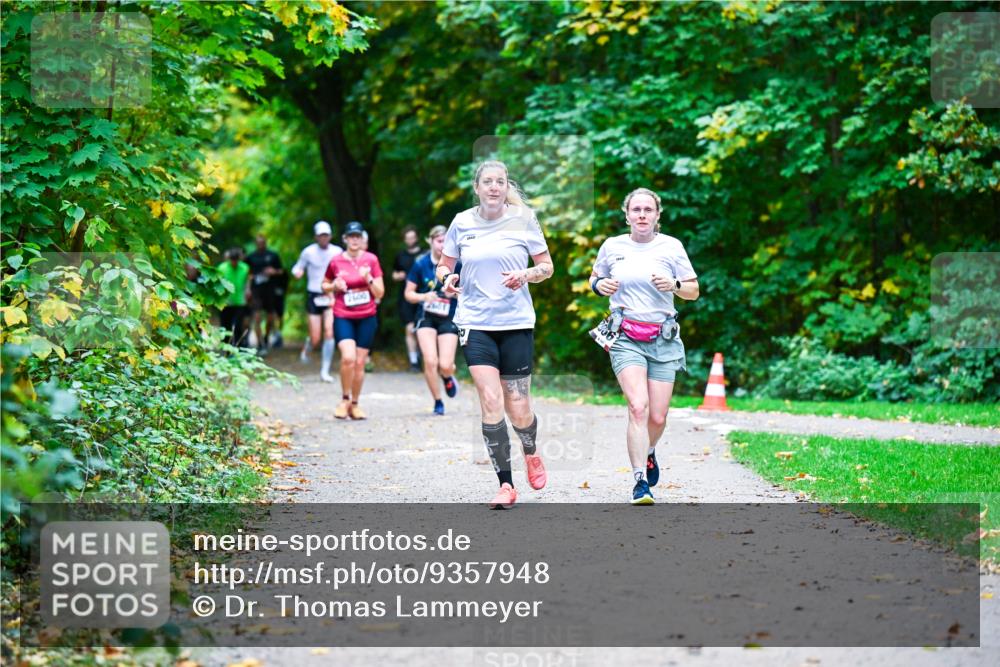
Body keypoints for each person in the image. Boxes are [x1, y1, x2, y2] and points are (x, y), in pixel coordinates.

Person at [437, 160, 554, 509]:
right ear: (477, 187)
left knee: (518, 407)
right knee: (490, 401)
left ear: (506, 187)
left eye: (499, 182)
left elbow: (547, 267)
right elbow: (444, 264)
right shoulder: (461, 222)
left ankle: (531, 451)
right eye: (487, 181)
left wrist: (527, 275)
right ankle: (506, 484)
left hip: (516, 323)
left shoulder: (524, 220)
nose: (493, 187)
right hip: (474, 322)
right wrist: (447, 279)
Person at [589, 187, 699, 505]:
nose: (641, 215)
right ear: (627, 215)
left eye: (647, 210)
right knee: (638, 407)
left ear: (657, 215)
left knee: (658, 417)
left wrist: (675, 285)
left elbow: (693, 290)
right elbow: (594, 277)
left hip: (663, 338)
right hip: (625, 336)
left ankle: (649, 451)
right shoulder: (612, 246)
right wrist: (599, 285)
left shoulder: (671, 247)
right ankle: (640, 482)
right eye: (635, 209)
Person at [322, 221, 385, 420]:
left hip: (367, 316)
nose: (355, 240)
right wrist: (334, 286)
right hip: (343, 315)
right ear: (345, 239)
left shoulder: (371, 260)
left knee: (359, 362)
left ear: (362, 239)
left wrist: (369, 279)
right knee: (348, 357)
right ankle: (344, 399)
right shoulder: (335, 261)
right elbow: (324, 284)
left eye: (358, 236)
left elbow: (380, 292)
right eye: (351, 236)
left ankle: (355, 404)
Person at [404, 225, 461, 416]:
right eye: (439, 241)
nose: (442, 245)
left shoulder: (457, 264)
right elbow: (408, 294)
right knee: (430, 361)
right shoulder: (421, 264)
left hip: (448, 316)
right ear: (430, 241)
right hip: (426, 316)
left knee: (445, 364)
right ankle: (438, 401)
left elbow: (470, 293)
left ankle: (447, 376)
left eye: (446, 241)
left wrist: (454, 294)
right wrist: (423, 297)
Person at [291, 221, 343, 382]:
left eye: (326, 235)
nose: (323, 238)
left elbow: (344, 269)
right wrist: (297, 272)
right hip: (314, 294)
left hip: (330, 294)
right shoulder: (308, 252)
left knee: (329, 331)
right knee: (316, 338)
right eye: (321, 235)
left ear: (330, 236)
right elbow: (297, 267)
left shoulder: (337, 251)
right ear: (316, 236)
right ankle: (308, 345)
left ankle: (325, 370)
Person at [245, 234, 284, 355]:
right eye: (258, 242)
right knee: (256, 317)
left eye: (263, 242)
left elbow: (281, 271)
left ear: (265, 243)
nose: (261, 244)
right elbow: (246, 273)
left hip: (270, 290)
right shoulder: (251, 257)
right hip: (256, 290)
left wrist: (274, 271)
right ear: (255, 243)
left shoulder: (273, 255)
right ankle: (260, 344)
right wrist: (248, 288)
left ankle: (267, 337)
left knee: (270, 317)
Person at [392, 226, 424, 372]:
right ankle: (414, 362)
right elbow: (394, 274)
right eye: (407, 238)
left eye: (412, 237)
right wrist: (398, 276)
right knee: (410, 329)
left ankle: (424, 357)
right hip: (405, 297)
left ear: (416, 237)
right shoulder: (400, 256)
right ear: (404, 240)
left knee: (421, 330)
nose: (410, 240)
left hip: (423, 296)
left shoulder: (425, 254)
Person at [217, 247, 251, 348]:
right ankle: (226, 347)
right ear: (229, 259)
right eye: (232, 260)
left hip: (240, 301)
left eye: (236, 260)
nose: (234, 263)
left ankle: (238, 346)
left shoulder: (245, 268)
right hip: (225, 302)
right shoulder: (222, 268)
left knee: (238, 325)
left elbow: (248, 280)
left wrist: (248, 289)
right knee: (225, 325)